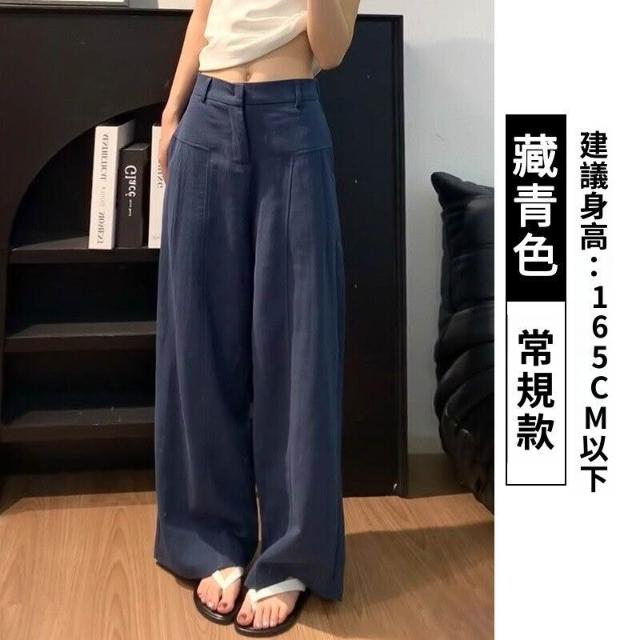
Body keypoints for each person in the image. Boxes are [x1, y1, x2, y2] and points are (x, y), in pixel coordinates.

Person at [153, 0, 359, 636]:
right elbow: (203, 13)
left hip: (289, 121)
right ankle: (210, 538)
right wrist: (171, 114)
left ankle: (291, 556)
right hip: (206, 115)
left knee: (297, 349)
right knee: (198, 342)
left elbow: (331, 49)